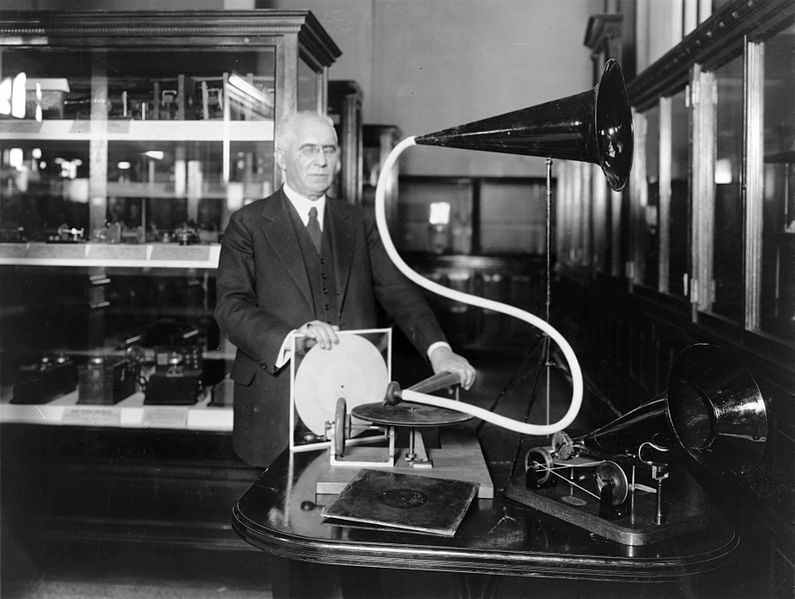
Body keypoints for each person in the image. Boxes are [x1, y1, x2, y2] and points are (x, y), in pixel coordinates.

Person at [214, 110, 476, 468]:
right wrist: (291, 337)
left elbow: (396, 291)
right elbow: (231, 307)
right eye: (308, 149)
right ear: (281, 158)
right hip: (277, 406)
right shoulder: (247, 223)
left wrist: (439, 350)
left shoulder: (358, 221)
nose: (322, 161)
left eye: (330, 150)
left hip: (354, 399)